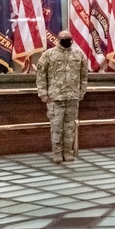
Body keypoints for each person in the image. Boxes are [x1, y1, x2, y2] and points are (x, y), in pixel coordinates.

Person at [36, 30, 89, 164]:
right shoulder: (48, 54)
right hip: (55, 97)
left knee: (70, 126)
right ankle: (57, 153)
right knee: (56, 127)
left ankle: (67, 151)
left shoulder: (79, 54)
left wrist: (82, 91)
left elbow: (84, 75)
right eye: (63, 38)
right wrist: (43, 93)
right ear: (58, 39)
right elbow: (41, 75)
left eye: (69, 38)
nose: (66, 40)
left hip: (72, 97)